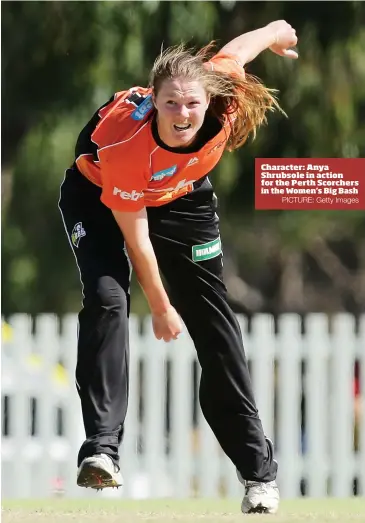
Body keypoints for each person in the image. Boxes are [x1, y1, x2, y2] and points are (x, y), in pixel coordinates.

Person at [58, 20, 298, 514]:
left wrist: (276, 32)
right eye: (170, 104)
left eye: (191, 103)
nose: (182, 113)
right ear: (156, 103)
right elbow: (137, 240)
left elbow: (238, 51)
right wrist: (163, 307)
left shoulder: (219, 95)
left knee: (216, 323)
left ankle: (259, 475)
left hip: (180, 197)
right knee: (108, 298)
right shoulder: (127, 144)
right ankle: (102, 449)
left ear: (208, 99)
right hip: (101, 197)